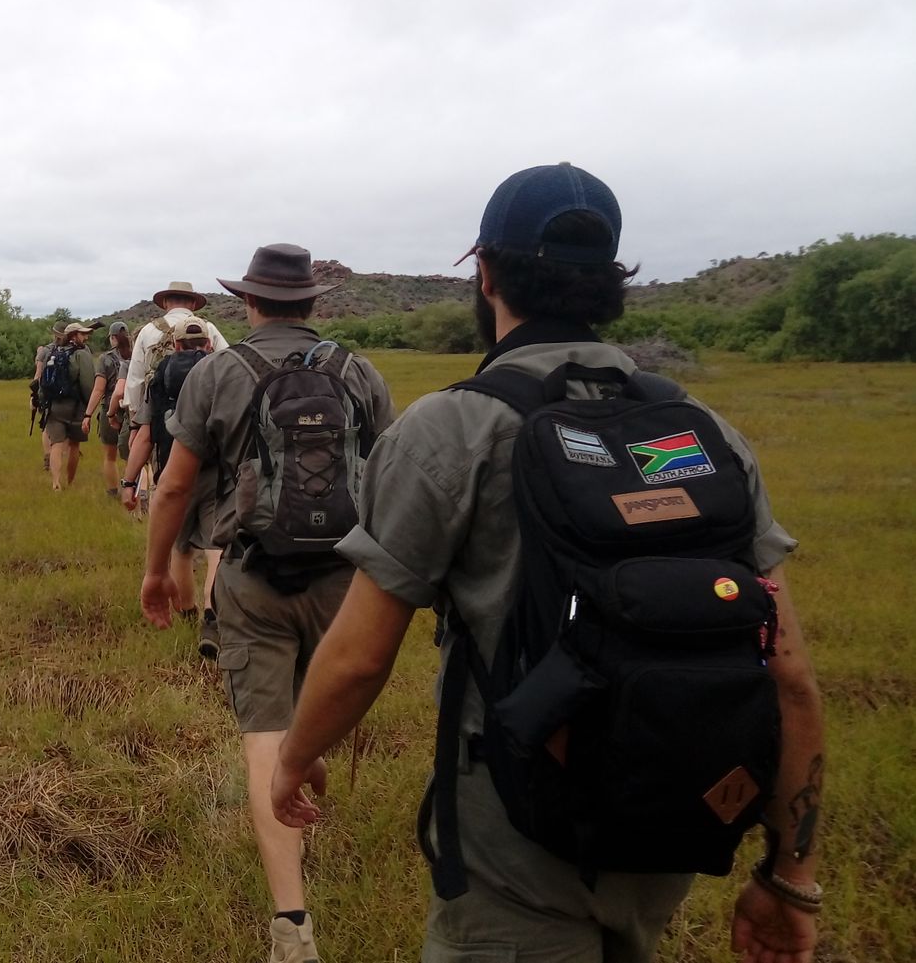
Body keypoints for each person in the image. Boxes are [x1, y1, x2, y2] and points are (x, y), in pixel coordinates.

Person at [269, 164, 825, 963]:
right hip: (673, 822)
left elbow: (358, 657)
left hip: (517, 840)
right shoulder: (705, 432)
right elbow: (791, 674)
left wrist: (293, 757)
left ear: (485, 273)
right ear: (611, 282)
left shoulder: (452, 429)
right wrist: (791, 876)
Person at [141, 244, 394, 963]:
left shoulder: (221, 372)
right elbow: (390, 475)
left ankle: (293, 928)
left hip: (251, 579)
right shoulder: (359, 371)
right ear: (314, 303)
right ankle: (305, 762)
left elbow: (175, 487)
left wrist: (158, 571)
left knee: (265, 739)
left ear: (248, 303)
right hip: (349, 580)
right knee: (307, 724)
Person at [122, 319, 226, 652]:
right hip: (216, 472)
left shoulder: (161, 377)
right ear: (208, 344)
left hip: (172, 470)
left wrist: (129, 481)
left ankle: (185, 615)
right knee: (216, 550)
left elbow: (146, 435)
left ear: (176, 345)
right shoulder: (222, 373)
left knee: (180, 549)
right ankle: (212, 619)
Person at [123, 281, 230, 495]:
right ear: (192, 303)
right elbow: (228, 368)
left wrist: (136, 424)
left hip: (160, 416)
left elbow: (135, 380)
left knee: (162, 476)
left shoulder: (148, 331)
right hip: (205, 418)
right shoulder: (208, 328)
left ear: (164, 303)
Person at [41, 321, 98, 491]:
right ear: (74, 335)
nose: (86, 337)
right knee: (74, 445)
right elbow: (88, 383)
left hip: (54, 407)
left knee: (56, 445)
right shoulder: (82, 354)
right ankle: (70, 483)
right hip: (76, 408)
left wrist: (43, 402)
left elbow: (43, 381)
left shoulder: (51, 352)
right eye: (82, 334)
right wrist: (90, 408)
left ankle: (55, 482)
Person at [89, 321, 133, 497]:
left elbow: (99, 389)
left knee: (110, 455)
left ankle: (113, 492)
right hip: (132, 410)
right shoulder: (135, 355)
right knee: (134, 455)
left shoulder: (105, 359)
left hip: (110, 409)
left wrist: (87, 414)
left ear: (113, 338)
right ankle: (136, 490)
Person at [31, 326, 63, 471]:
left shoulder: (45, 351)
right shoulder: (68, 350)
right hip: (62, 393)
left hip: (45, 391)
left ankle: (48, 456)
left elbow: (38, 374)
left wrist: (34, 394)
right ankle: (58, 455)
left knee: (45, 424)